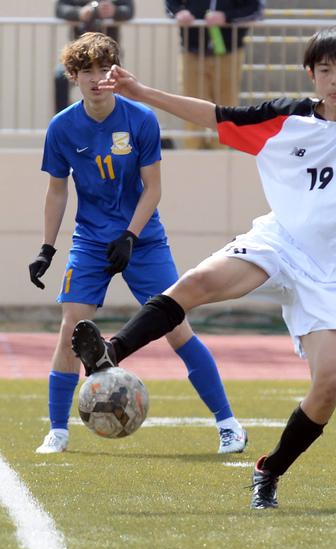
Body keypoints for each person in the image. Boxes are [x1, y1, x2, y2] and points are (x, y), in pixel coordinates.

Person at [70, 26, 336, 508]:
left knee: (329, 385)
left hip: (329, 274)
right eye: (325, 70)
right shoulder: (285, 118)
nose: (335, 80)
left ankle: (269, 470)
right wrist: (138, 92)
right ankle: (111, 351)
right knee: (195, 282)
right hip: (276, 243)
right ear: (311, 75)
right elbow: (213, 116)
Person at [32, 32, 247, 455]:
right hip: (90, 241)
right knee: (71, 329)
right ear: (73, 76)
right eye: (86, 72)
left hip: (144, 240)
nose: (96, 80)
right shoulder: (62, 127)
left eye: (103, 70)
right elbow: (57, 190)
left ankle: (229, 425)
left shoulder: (141, 120)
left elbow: (153, 188)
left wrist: (131, 233)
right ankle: (57, 431)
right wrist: (46, 248)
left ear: (114, 73)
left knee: (176, 326)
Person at [164, 0, 264, 149]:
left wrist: (226, 17)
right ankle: (193, 154)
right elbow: (171, 4)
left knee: (225, 107)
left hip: (228, 54)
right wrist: (179, 12)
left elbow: (254, 10)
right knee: (190, 106)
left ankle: (221, 153)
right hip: (192, 52)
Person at [54, 1, 135, 113]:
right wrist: (79, 13)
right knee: (60, 77)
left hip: (108, 53)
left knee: (115, 81)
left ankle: (116, 118)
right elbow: (60, 9)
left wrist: (114, 11)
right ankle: (63, 120)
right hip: (80, 53)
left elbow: (129, 11)